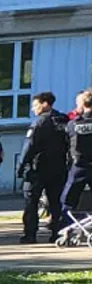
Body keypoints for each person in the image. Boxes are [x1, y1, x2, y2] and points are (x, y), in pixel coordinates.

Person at [18, 91, 69, 244]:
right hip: (59, 167)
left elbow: (29, 146)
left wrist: (20, 166)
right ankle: (57, 233)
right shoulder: (63, 120)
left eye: (35, 105)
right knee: (55, 202)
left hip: (38, 168)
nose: (33, 109)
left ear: (45, 104)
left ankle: (30, 234)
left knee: (31, 201)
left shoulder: (39, 123)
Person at [62, 89, 92, 218]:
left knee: (68, 200)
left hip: (79, 165)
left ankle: (63, 227)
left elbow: (67, 144)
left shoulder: (73, 124)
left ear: (83, 104)